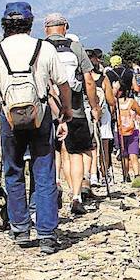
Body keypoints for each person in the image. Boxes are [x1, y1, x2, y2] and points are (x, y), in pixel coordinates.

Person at [0, 2, 71, 255]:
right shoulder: (43, 48)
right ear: (30, 24)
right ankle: (47, 233)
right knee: (44, 173)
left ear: (4, 24)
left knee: (14, 171)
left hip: (9, 120)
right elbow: (63, 83)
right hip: (40, 118)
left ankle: (20, 229)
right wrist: (66, 111)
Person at [43, 15, 100, 216]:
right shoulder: (76, 47)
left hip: (48, 111)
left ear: (45, 29)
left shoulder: (40, 48)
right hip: (75, 110)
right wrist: (94, 107)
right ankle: (76, 196)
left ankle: (57, 183)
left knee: (56, 152)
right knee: (75, 153)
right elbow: (89, 81)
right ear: (65, 27)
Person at [88, 48, 115, 186]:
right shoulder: (103, 79)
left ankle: (92, 175)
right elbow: (111, 100)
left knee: (91, 146)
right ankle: (104, 174)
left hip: (87, 113)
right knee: (104, 145)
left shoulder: (84, 78)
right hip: (103, 115)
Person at [116, 87, 140, 179]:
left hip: (119, 130)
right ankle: (137, 175)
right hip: (133, 130)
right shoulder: (132, 102)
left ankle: (126, 175)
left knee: (124, 154)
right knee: (133, 154)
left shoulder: (114, 102)